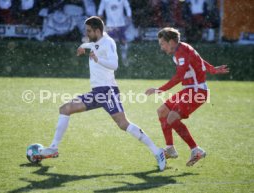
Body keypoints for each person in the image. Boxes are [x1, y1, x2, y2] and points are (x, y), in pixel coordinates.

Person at [39, 16, 166, 171]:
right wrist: (82, 46)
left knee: (123, 124)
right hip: (97, 92)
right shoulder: (94, 42)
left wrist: (98, 60)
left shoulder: (108, 43)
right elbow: (90, 45)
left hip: (108, 91)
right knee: (65, 109)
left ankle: (158, 151)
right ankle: (53, 148)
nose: (87, 34)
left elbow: (114, 65)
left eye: (89, 31)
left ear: (97, 31)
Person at [145, 27, 229, 166]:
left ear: (171, 42)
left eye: (162, 44)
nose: (161, 47)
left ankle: (196, 150)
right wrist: (212, 69)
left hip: (197, 92)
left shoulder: (181, 52)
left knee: (171, 118)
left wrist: (159, 90)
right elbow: (199, 60)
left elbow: (179, 76)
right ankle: (170, 148)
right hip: (189, 90)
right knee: (162, 112)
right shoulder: (182, 48)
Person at [97, 0, 132, 66]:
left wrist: (129, 15)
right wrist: (99, 17)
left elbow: (127, 6)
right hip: (110, 25)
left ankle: (124, 57)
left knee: (123, 41)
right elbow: (100, 9)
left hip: (121, 23)